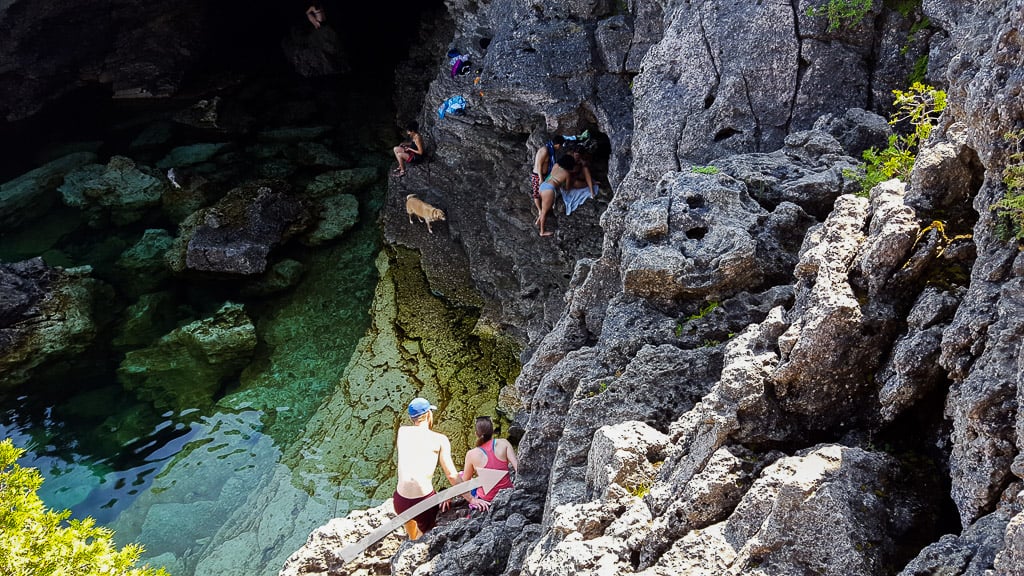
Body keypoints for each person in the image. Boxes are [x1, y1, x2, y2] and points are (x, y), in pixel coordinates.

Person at [394, 397, 460, 540]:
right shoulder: (440, 439)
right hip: (424, 502)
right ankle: (415, 544)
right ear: (429, 414)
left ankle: (410, 539)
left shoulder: (402, 432)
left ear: (412, 418)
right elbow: (451, 475)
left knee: (408, 519)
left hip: (400, 501)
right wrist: (470, 498)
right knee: (425, 534)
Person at [459, 416, 518, 511]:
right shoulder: (504, 443)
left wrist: (448, 496)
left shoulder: (471, 454)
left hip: (486, 499)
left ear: (476, 434)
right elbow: (518, 468)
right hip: (507, 493)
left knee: (461, 475)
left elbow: (464, 483)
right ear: (492, 430)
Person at [537, 154, 575, 237]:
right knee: (544, 212)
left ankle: (538, 221)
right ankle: (542, 232)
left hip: (543, 185)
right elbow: (567, 188)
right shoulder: (566, 173)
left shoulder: (556, 165)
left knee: (543, 208)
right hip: (549, 190)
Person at [531, 135, 565, 216]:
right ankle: (540, 210)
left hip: (545, 174)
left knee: (546, 191)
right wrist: (540, 178)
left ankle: (546, 207)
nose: (559, 148)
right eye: (560, 147)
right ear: (558, 145)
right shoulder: (545, 150)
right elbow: (539, 164)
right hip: (538, 175)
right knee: (536, 193)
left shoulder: (550, 150)